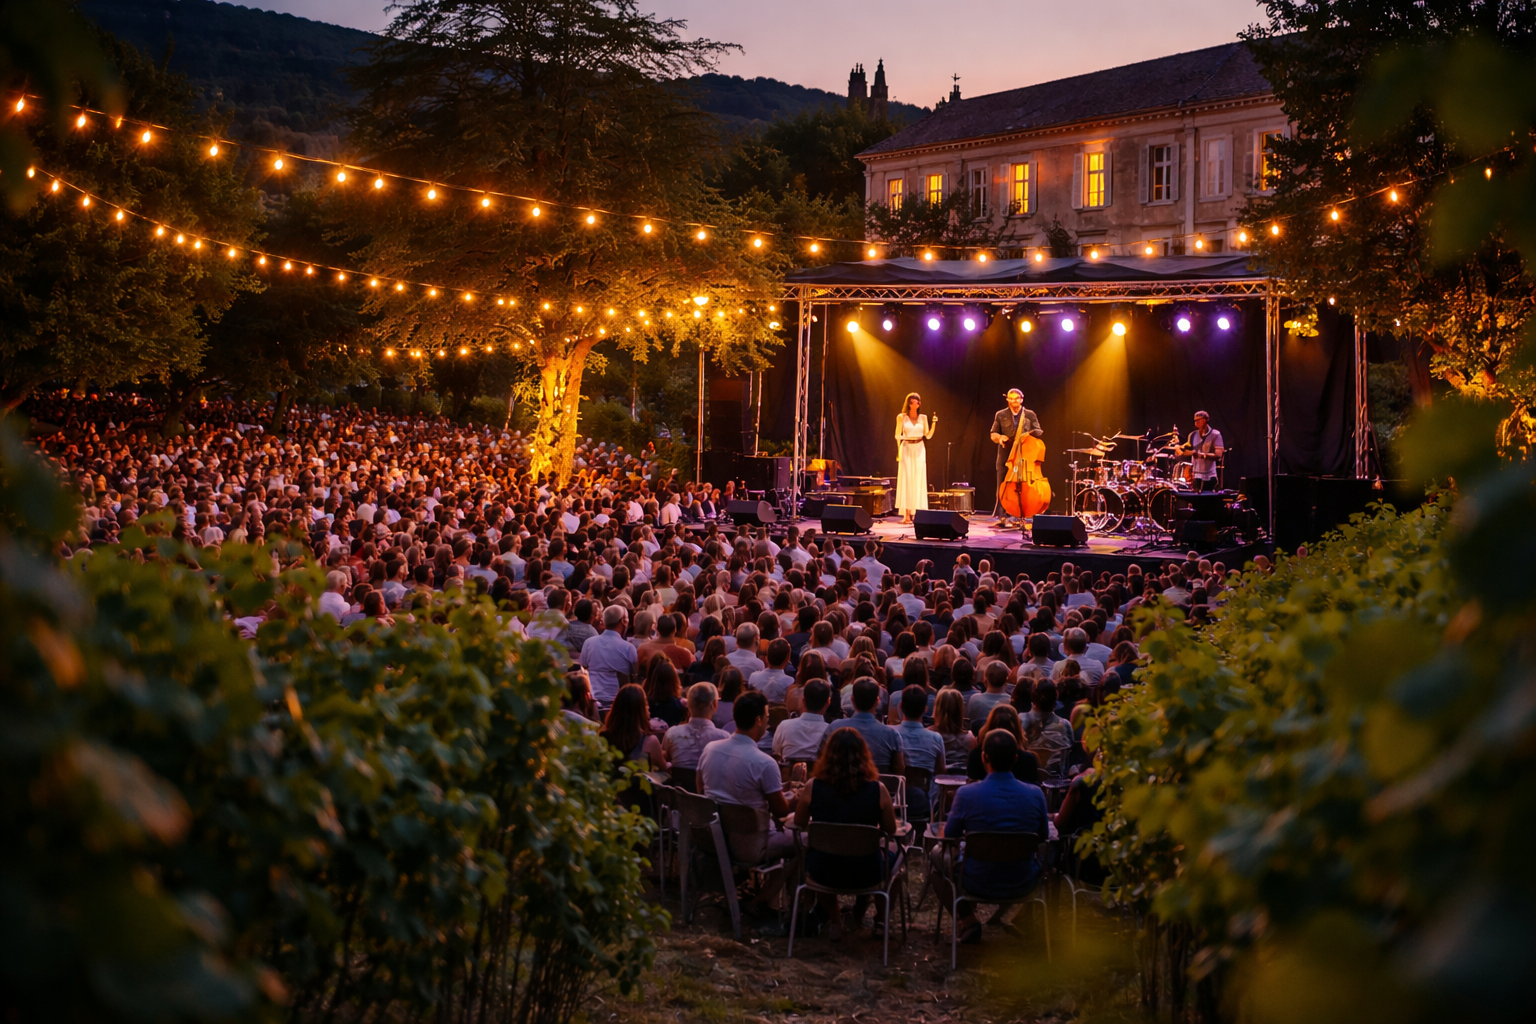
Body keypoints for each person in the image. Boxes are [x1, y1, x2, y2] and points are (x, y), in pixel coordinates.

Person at [928, 729, 1050, 945]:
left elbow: (949, 836)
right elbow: (1043, 835)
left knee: (936, 856)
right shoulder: (1035, 793)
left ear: (984, 757)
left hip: (977, 879)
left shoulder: (966, 794)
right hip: (1023, 879)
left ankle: (968, 920)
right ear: (1015, 758)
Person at [792, 727, 900, 941]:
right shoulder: (878, 790)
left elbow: (799, 822)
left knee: (817, 854)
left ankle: (835, 920)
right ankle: (880, 919)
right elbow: (891, 830)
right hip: (866, 870)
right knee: (895, 859)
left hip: (823, 870)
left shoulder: (812, 787)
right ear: (864, 756)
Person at [697, 692, 797, 914]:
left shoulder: (710, 749)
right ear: (759, 719)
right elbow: (780, 810)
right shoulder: (764, 762)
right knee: (804, 841)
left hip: (713, 839)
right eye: (767, 716)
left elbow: (701, 790)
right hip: (749, 846)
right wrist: (798, 798)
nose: (768, 721)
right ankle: (765, 901)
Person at [988, 388, 1042, 525]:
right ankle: (1002, 516)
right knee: (1003, 486)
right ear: (1007, 399)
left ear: (1021, 399)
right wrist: (1000, 438)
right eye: (1011, 398)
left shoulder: (1029, 414)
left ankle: (1024, 513)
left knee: (1023, 486)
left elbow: (1039, 430)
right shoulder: (1000, 415)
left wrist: (1028, 434)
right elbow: (993, 433)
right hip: (1006, 457)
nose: (1014, 401)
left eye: (1016, 398)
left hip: (1025, 457)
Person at [893, 684, 947, 823]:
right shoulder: (935, 738)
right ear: (925, 709)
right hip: (925, 803)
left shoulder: (890, 734)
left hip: (894, 802)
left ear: (900, 706)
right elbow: (941, 773)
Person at [662, 682, 730, 786]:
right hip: (710, 798)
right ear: (715, 705)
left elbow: (666, 759)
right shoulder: (724, 738)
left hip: (679, 796)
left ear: (688, 705)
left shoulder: (672, 733)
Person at [842, 678, 906, 774]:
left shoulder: (835, 729)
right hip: (878, 787)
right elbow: (899, 771)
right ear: (877, 701)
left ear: (852, 699)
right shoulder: (892, 735)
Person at [600, 683, 667, 773]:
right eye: (646, 704)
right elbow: (664, 767)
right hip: (638, 786)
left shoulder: (602, 738)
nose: (649, 708)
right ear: (641, 710)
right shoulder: (650, 741)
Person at [894, 392, 937, 524]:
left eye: (917, 401)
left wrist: (934, 423)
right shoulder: (902, 417)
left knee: (917, 479)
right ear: (908, 403)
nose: (915, 403)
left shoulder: (923, 418)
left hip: (919, 448)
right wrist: (898, 452)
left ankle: (916, 513)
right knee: (906, 480)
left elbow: (928, 435)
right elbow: (897, 435)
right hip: (906, 447)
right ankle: (906, 515)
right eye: (912, 401)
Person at [580, 605, 637, 704]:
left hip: (593, 700)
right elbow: (635, 672)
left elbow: (583, 666)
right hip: (619, 703)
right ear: (623, 621)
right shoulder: (628, 648)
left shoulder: (589, 643)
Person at [774, 678, 834, 760]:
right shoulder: (831, 732)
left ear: (803, 701)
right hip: (818, 772)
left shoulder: (784, 726)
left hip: (788, 772)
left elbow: (776, 752)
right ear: (828, 703)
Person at [929, 687, 976, 771]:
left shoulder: (928, 735)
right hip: (963, 781)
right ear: (960, 709)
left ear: (937, 709)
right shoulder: (970, 739)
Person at [1179, 410, 1225, 492]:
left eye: (1197, 420)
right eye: (1194, 421)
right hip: (1195, 477)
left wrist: (1200, 455)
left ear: (1204, 420)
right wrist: (1179, 449)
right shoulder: (1192, 435)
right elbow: (1186, 449)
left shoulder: (1216, 435)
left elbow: (1218, 456)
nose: (1195, 423)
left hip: (1209, 477)